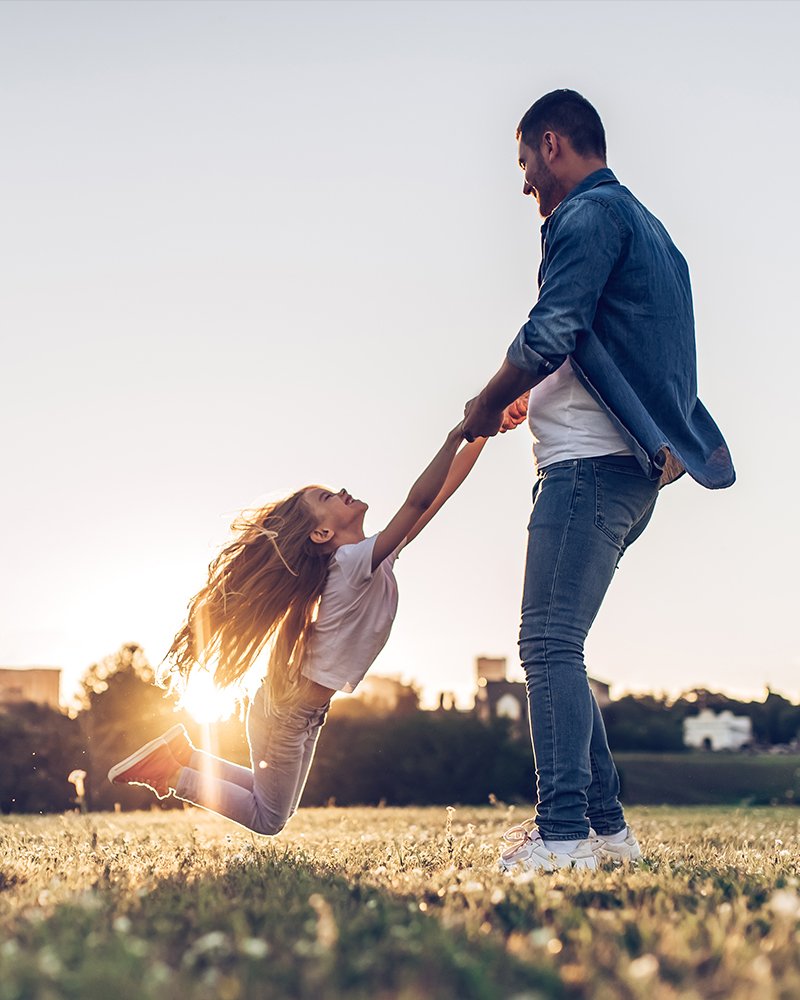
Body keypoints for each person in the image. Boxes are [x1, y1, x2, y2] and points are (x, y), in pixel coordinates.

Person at [462, 89, 735, 874]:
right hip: (614, 468)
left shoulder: (583, 217)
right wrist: (533, 393)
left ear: (552, 145)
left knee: (546, 645)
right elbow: (602, 339)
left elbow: (553, 328)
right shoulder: (647, 226)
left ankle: (562, 836)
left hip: (591, 469)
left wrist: (483, 403)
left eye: (522, 163)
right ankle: (608, 833)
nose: (523, 186)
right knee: (563, 647)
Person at [108, 422, 489, 835]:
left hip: (298, 710)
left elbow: (433, 500)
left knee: (275, 807)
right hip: (289, 712)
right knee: (269, 819)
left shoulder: (369, 560)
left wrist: (482, 434)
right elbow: (416, 503)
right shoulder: (351, 564)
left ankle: (188, 756)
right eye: (327, 497)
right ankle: (171, 774)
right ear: (322, 532)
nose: (341, 490)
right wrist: (454, 436)